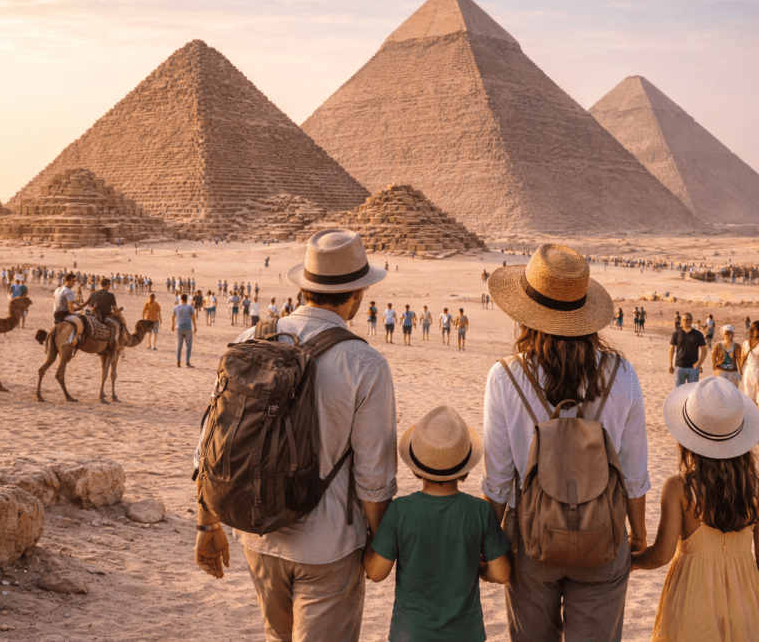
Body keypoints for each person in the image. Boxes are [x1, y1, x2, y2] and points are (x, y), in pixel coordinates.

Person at [195, 229, 397, 642]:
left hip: (256, 532)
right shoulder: (365, 363)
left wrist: (206, 525)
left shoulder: (248, 340)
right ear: (357, 294)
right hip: (328, 544)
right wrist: (380, 543)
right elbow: (374, 477)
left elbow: (213, 442)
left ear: (304, 286)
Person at [481, 244, 650, 642]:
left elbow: (499, 478)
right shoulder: (621, 374)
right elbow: (634, 471)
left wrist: (492, 541)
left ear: (525, 313)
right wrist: (637, 536)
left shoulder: (505, 375)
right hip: (603, 533)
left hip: (531, 535)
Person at [631, 377, 759, 641]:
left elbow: (662, 555)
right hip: (746, 598)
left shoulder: (678, 489)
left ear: (687, 439)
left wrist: (632, 562)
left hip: (692, 597)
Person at [364, 405, 511, 642]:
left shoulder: (400, 510)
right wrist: (480, 569)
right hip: (465, 635)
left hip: (410, 634)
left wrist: (367, 545)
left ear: (416, 466)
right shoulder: (480, 511)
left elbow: (377, 572)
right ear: (464, 467)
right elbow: (502, 573)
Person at [738, 321, 759, 427]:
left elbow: (742, 357)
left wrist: (740, 369)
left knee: (755, 403)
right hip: (758, 371)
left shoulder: (747, 343)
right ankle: (757, 427)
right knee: (758, 403)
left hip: (751, 371)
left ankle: (755, 427)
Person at [669, 313, 707, 387]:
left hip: (693, 369)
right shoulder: (676, 333)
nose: (685, 321)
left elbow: (704, 350)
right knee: (679, 392)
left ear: (691, 321)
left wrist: (699, 363)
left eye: (687, 320)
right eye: (683, 320)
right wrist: (670, 365)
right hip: (679, 367)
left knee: (692, 392)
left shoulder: (698, 334)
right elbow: (671, 349)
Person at [174, 292, 197, 368]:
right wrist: (195, 326)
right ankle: (187, 362)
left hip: (179, 327)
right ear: (187, 299)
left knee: (179, 345)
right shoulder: (189, 307)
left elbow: (172, 315)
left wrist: (172, 325)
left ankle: (178, 361)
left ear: (181, 299)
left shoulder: (176, 307)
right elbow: (193, 317)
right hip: (187, 327)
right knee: (188, 346)